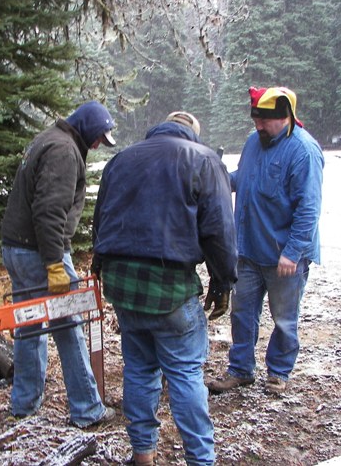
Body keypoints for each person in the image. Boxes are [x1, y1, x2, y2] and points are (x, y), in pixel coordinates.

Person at [92, 111, 238, 466]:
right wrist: (223, 281)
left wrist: (99, 265)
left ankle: (143, 455)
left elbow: (101, 219)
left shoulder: (122, 159)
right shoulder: (203, 160)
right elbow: (219, 230)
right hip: (170, 286)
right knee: (186, 373)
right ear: (193, 134)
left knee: (139, 369)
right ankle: (201, 460)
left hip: (122, 285)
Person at [0, 100, 117, 427]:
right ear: (86, 130)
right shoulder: (64, 151)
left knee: (28, 324)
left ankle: (24, 404)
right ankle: (87, 409)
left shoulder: (48, 138)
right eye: (97, 138)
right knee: (69, 327)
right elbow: (48, 213)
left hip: (17, 249)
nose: (97, 145)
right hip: (40, 253)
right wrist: (54, 265)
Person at [207, 86, 324, 395]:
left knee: (284, 318)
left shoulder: (304, 151)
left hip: (283, 255)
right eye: (255, 119)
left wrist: (294, 251)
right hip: (247, 250)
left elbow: (309, 207)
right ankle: (241, 369)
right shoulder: (253, 142)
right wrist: (216, 177)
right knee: (242, 313)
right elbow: (242, 179)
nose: (257, 126)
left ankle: (279, 372)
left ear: (285, 117)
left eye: (264, 120)